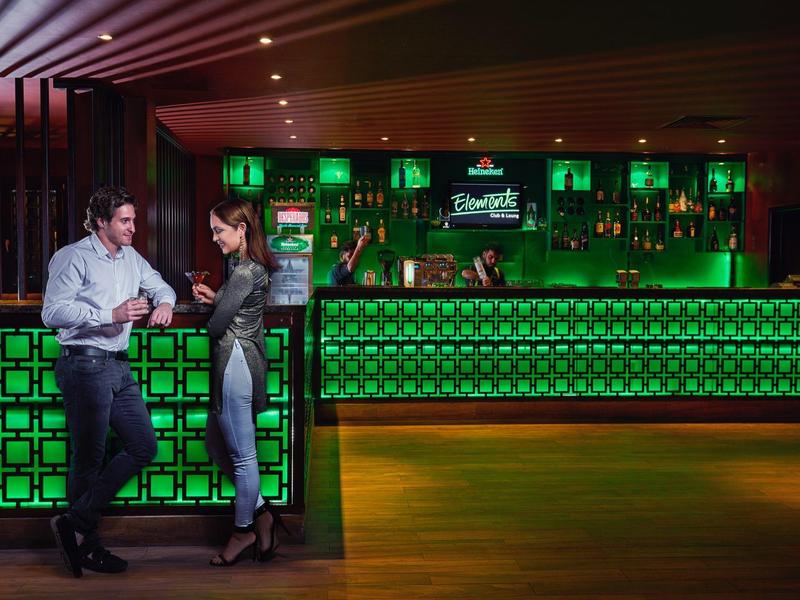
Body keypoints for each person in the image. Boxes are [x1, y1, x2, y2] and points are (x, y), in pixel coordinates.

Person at [41, 186, 176, 578]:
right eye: (125, 220)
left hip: (119, 367)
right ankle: (88, 546)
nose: (133, 227)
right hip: (84, 365)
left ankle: (74, 523)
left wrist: (165, 302)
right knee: (89, 458)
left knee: (144, 446)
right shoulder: (73, 256)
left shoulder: (130, 257)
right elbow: (52, 312)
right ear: (101, 221)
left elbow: (160, 284)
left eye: (133, 220)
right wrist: (109, 314)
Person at [191, 198, 288, 566]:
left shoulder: (246, 270)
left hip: (236, 362)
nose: (215, 237)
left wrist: (216, 308)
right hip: (237, 362)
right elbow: (238, 309)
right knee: (216, 445)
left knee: (244, 458)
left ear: (241, 229)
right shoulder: (247, 268)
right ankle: (263, 513)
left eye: (219, 230)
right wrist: (218, 297)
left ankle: (243, 530)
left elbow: (218, 325)